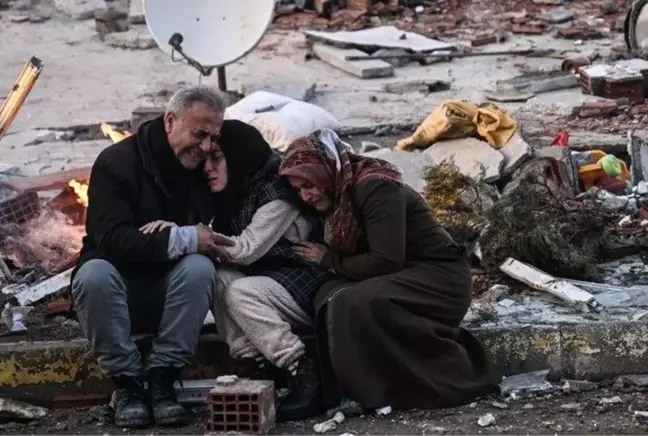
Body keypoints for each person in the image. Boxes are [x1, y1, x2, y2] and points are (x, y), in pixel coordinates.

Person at [277, 128, 500, 412]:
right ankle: (344, 389)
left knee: (350, 301)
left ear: (324, 171)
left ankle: (418, 383)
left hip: (440, 276)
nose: (305, 196)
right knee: (327, 295)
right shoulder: (341, 195)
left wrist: (329, 260)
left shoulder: (374, 187)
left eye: (308, 185)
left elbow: (386, 260)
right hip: (405, 274)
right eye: (298, 190)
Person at [142, 121, 334, 421]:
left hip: (303, 283)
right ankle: (256, 362)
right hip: (270, 283)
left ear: (240, 156)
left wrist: (185, 236)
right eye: (204, 160)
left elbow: (246, 250)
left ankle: (302, 369)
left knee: (239, 290)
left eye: (217, 158)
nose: (207, 168)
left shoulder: (278, 193)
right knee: (216, 279)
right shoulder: (236, 193)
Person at [71, 85, 236, 429]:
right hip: (117, 292)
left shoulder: (201, 167)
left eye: (213, 138)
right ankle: (127, 383)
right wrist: (183, 236)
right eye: (200, 134)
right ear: (171, 121)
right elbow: (114, 241)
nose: (206, 146)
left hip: (170, 294)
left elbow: (217, 233)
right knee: (93, 275)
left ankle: (163, 376)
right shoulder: (116, 163)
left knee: (199, 268)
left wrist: (224, 180)